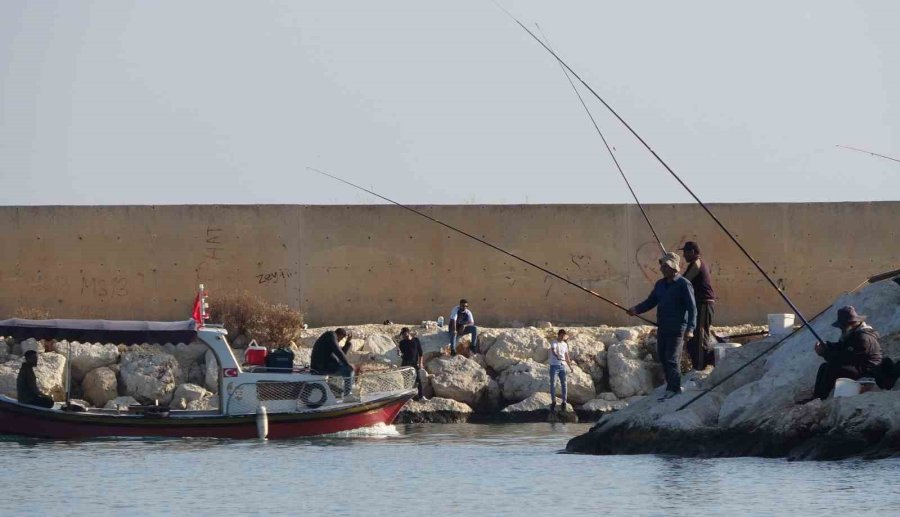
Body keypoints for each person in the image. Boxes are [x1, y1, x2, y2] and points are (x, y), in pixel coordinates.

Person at [628, 252, 697, 401]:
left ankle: (675, 388)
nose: (662, 269)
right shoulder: (660, 284)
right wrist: (636, 309)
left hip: (678, 328)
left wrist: (690, 329)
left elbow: (692, 308)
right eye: (662, 266)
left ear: (674, 267)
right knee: (663, 358)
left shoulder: (684, 284)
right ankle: (670, 386)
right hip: (663, 327)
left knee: (672, 359)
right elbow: (650, 301)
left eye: (666, 266)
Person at [812, 306, 882, 400]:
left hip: (867, 370)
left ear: (850, 323)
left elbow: (844, 359)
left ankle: (822, 398)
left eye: (842, 326)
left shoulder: (862, 338)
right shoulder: (854, 334)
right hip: (857, 365)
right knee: (824, 367)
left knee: (833, 367)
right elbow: (842, 347)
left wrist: (824, 353)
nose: (841, 328)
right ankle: (817, 396)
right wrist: (827, 345)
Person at [680, 241, 717, 370]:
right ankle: (698, 366)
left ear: (693, 252)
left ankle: (700, 369)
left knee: (700, 338)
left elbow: (684, 281)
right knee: (694, 338)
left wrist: (673, 273)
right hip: (698, 304)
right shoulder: (693, 264)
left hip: (703, 304)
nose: (683, 255)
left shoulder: (697, 264)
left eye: (685, 252)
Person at [311, 328, 357, 400]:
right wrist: (348, 365)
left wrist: (348, 343)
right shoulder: (330, 335)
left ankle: (343, 393)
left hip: (324, 367)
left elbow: (341, 354)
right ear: (339, 334)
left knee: (347, 369)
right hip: (321, 368)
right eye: (341, 338)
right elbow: (338, 351)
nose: (340, 340)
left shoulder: (329, 342)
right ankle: (347, 396)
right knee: (349, 370)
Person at [398, 327, 427, 400]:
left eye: (404, 334)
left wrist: (420, 364)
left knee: (418, 380)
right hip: (405, 363)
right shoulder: (402, 343)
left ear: (408, 332)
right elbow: (401, 354)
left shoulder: (416, 340)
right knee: (406, 381)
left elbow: (420, 353)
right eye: (402, 335)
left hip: (414, 363)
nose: (404, 336)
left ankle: (421, 397)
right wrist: (399, 353)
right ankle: (408, 397)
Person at [549, 329, 572, 412]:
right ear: (558, 335)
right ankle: (553, 401)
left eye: (564, 336)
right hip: (554, 366)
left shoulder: (565, 344)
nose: (562, 337)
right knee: (553, 383)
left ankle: (564, 402)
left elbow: (566, 355)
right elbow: (553, 350)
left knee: (564, 384)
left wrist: (570, 366)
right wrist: (557, 356)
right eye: (561, 335)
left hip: (563, 366)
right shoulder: (554, 342)